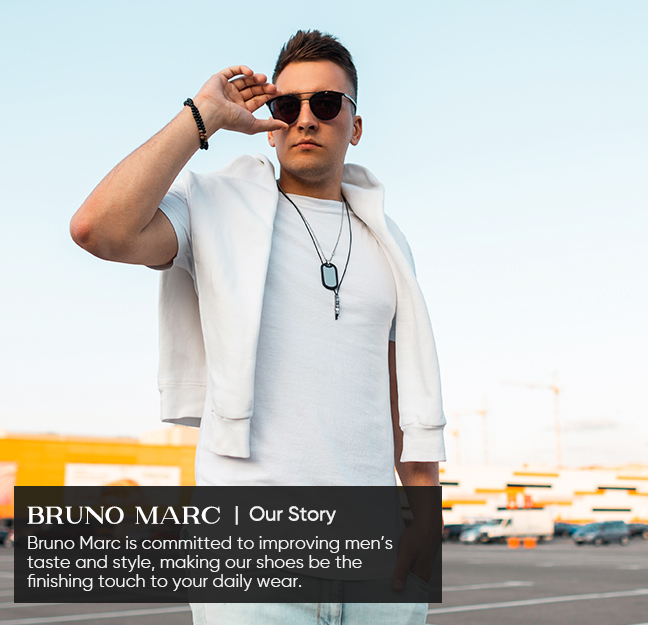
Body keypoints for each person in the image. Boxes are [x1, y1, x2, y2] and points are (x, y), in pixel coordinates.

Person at [69, 30, 442, 624]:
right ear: (269, 122)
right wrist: (201, 117)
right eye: (286, 105)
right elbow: (98, 230)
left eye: (326, 103)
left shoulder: (388, 241)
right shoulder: (214, 205)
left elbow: (399, 390)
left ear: (355, 126)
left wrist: (425, 511)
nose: (305, 119)